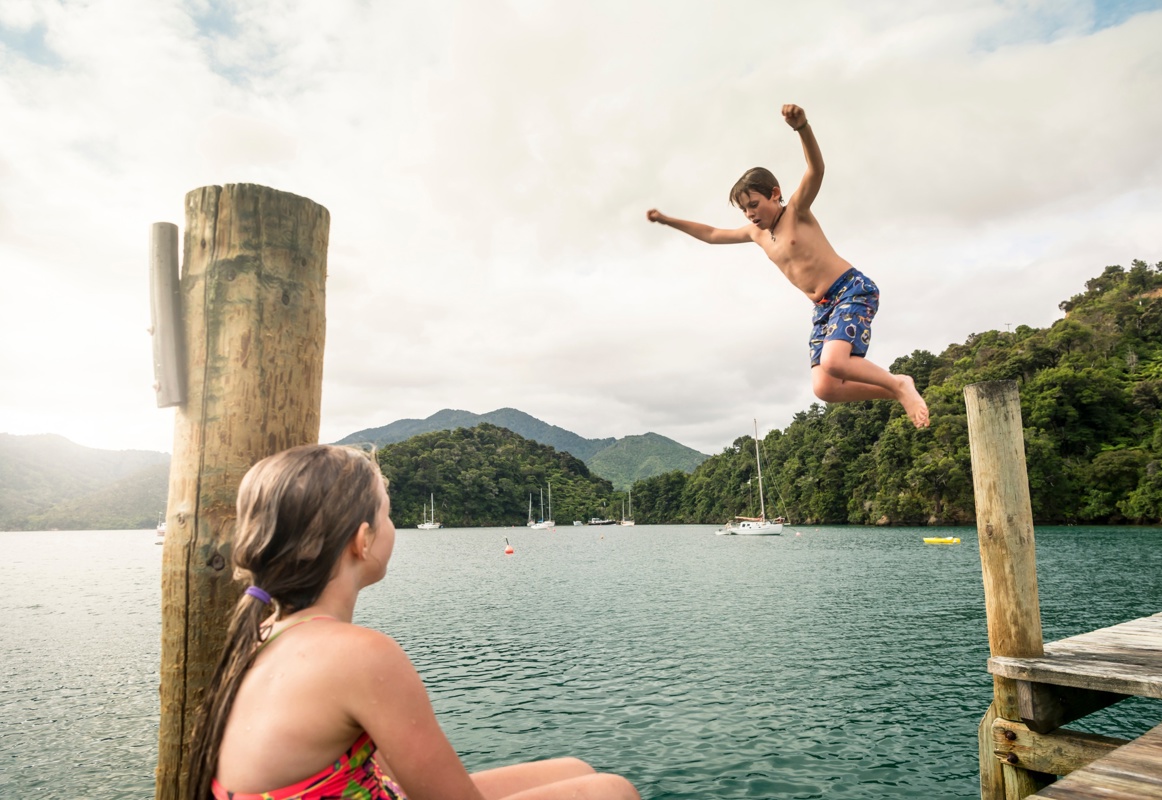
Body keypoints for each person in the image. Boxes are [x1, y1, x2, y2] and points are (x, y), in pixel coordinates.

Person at [187, 444, 641, 800]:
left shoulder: (263, 634)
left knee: (576, 772)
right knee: (611, 791)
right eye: (388, 514)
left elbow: (372, 768)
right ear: (362, 541)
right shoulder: (360, 656)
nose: (393, 527)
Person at [646, 104, 929, 428]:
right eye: (744, 210)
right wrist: (667, 220)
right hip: (823, 307)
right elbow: (711, 234)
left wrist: (802, 127)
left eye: (754, 204)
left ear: (775, 194)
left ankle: (899, 384)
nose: (751, 214)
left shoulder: (797, 211)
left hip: (850, 290)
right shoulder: (756, 233)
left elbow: (816, 170)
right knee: (825, 387)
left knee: (835, 362)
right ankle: (895, 391)